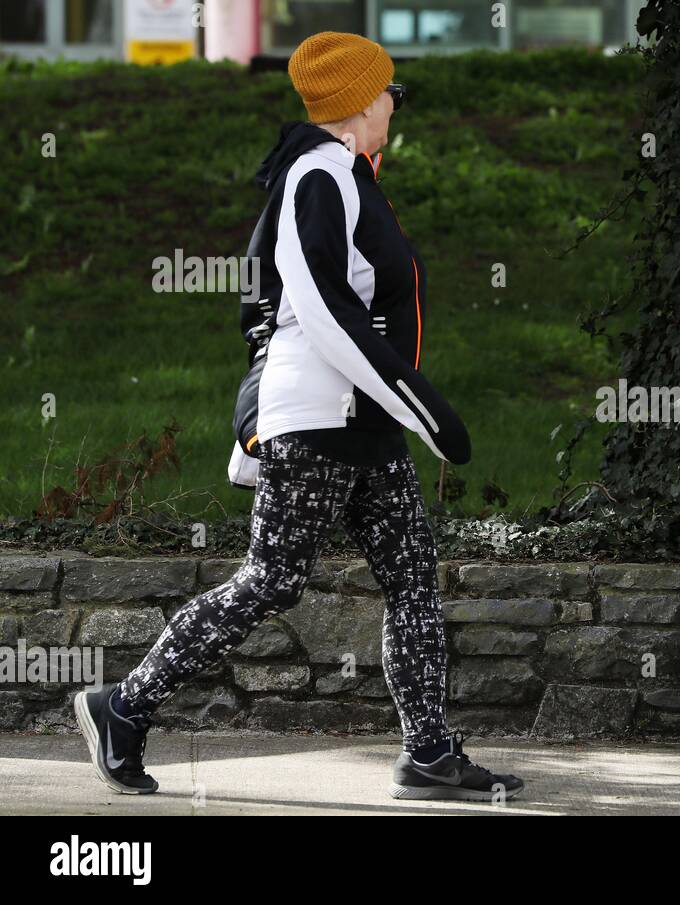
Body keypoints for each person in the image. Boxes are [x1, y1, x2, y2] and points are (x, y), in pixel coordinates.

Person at [73, 31, 524, 803]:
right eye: (390, 91)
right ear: (355, 103)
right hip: (324, 419)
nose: (396, 104)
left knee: (412, 578)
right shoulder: (320, 174)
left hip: (362, 419)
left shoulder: (345, 175)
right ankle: (123, 705)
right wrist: (421, 406)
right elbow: (318, 308)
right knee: (272, 579)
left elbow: (274, 302)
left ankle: (429, 753)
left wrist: (397, 407)